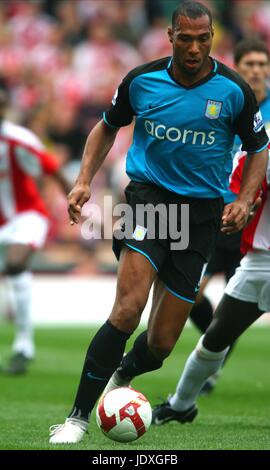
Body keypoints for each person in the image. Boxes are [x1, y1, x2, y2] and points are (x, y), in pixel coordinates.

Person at [49, 1, 269, 444]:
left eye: (202, 39)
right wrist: (83, 180)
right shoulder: (141, 80)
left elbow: (258, 148)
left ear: (213, 38)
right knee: (128, 309)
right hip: (151, 202)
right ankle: (75, 417)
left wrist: (245, 199)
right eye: (185, 38)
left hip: (202, 213)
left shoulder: (234, 91)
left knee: (163, 343)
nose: (193, 48)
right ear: (170, 37)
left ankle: (123, 377)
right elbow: (106, 127)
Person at [151, 141, 270, 425]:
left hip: (253, 258)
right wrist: (239, 206)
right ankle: (180, 405)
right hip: (259, 262)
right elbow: (238, 188)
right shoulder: (262, 148)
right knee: (215, 337)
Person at [188, 37, 270, 394]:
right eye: (249, 64)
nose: (256, 70)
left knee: (234, 303)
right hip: (214, 214)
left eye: (262, 65)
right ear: (238, 66)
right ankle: (214, 354)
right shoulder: (226, 103)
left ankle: (211, 362)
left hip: (253, 222)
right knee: (189, 293)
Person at [0, 89, 70, 375]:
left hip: (26, 215)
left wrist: (74, 202)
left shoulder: (18, 138)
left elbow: (53, 169)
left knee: (16, 263)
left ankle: (24, 344)